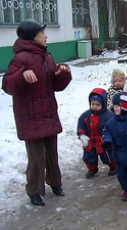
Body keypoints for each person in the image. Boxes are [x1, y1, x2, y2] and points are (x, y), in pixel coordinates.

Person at [2, 19, 72, 206]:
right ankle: (34, 191)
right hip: (30, 116)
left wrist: (63, 73)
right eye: (43, 32)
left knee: (52, 154)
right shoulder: (20, 58)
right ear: (34, 36)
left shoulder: (45, 56)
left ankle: (55, 184)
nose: (46, 35)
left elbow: (55, 85)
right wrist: (21, 76)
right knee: (36, 158)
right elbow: (7, 84)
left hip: (48, 112)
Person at [77, 88, 116, 179]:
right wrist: (82, 135)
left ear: (103, 104)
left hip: (103, 141)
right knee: (89, 156)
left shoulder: (108, 115)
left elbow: (114, 127)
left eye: (97, 105)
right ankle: (92, 168)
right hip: (90, 141)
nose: (94, 106)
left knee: (108, 156)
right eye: (93, 104)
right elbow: (81, 126)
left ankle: (114, 166)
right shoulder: (86, 115)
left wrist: (112, 138)